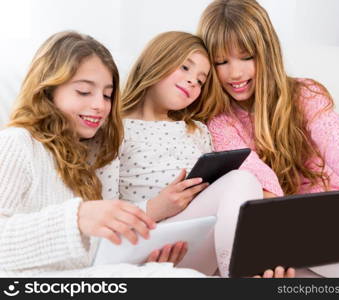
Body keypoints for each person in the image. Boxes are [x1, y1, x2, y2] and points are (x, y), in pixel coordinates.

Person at [195, 0, 339, 277]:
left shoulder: (305, 94)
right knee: (322, 256)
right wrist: (274, 226)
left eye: (246, 57)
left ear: (267, 52)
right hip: (298, 229)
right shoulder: (218, 121)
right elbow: (254, 171)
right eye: (221, 62)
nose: (235, 73)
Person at [0, 31, 206, 278]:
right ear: (48, 91)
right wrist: (76, 219)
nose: (100, 105)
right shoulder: (17, 143)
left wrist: (148, 259)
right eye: (84, 92)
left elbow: (94, 256)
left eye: (107, 95)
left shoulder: (81, 161)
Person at [98, 31, 295, 278]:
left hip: (198, 243)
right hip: (148, 244)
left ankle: (251, 270)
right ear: (156, 61)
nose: (193, 81)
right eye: (185, 68)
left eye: (201, 80)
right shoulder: (114, 129)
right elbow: (102, 213)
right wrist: (156, 207)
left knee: (297, 265)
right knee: (241, 179)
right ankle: (244, 274)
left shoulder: (197, 130)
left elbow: (222, 201)